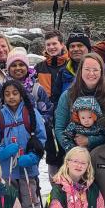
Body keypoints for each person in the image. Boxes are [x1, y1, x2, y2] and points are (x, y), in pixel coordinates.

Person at [0, 78, 46, 208]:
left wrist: (34, 156)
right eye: (7, 94)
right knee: (10, 202)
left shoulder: (31, 113)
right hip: (8, 170)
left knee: (30, 202)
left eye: (15, 93)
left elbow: (41, 137)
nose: (11, 97)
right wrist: (0, 150)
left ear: (21, 95)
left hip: (27, 168)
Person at [53, 53, 105, 154]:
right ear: (80, 71)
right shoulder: (68, 96)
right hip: (75, 155)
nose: (91, 73)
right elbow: (60, 128)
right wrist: (74, 152)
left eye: (95, 70)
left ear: (102, 72)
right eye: (87, 69)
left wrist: (90, 141)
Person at [0, 48, 53, 126]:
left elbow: (48, 114)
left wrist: (32, 124)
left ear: (27, 67)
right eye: (14, 65)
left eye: (21, 65)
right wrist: (3, 125)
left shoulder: (37, 89)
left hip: (32, 134)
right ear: (8, 68)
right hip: (5, 134)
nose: (18, 68)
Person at [35, 29, 69, 176]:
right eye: (48, 44)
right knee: (52, 156)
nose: (51, 47)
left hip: (67, 116)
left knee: (68, 154)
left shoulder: (70, 66)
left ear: (62, 45)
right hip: (48, 119)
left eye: (54, 43)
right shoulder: (39, 68)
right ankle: (54, 188)